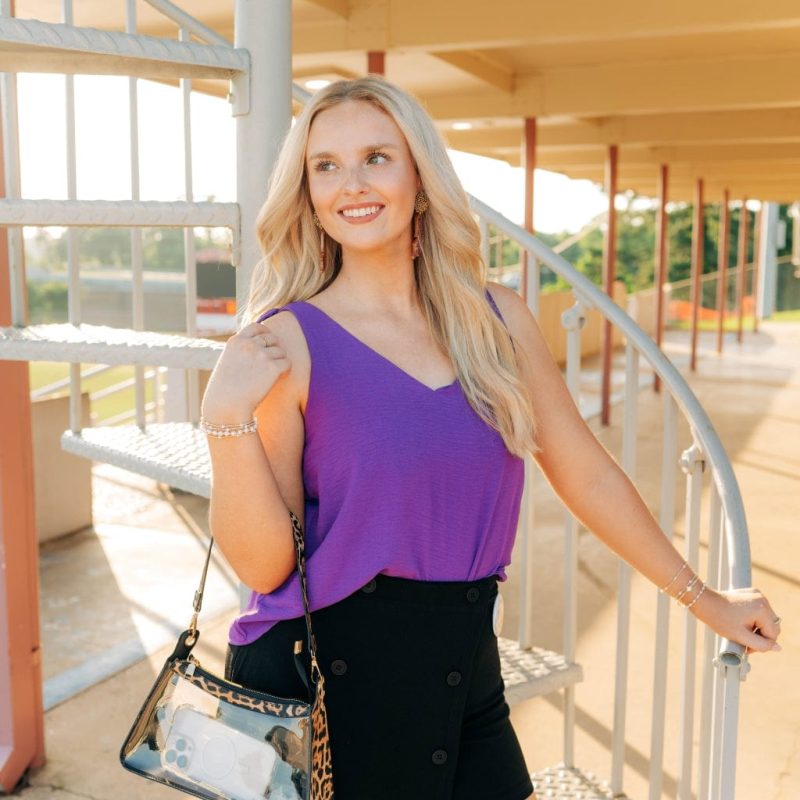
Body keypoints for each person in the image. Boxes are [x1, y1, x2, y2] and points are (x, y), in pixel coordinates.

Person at [199, 76, 781, 800]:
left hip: (463, 659)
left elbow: (587, 475)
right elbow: (263, 567)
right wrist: (224, 420)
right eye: (326, 165)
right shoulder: (287, 343)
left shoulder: (495, 322)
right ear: (307, 190)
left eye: (377, 157)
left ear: (419, 173)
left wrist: (706, 600)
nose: (352, 183)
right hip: (326, 673)